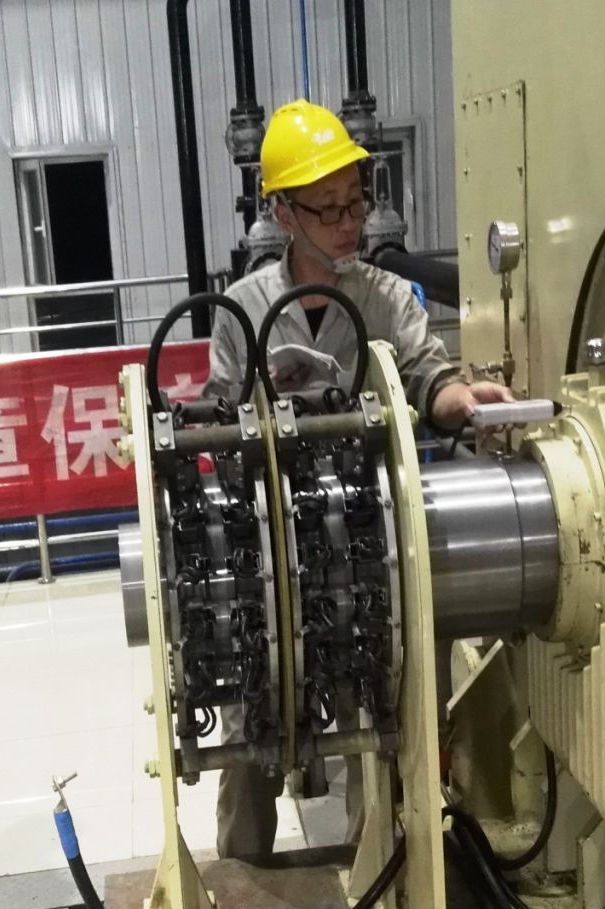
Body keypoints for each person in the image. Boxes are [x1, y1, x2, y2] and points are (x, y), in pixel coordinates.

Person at [207, 99, 512, 859]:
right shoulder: (241, 312)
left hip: (368, 550)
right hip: (271, 556)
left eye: (356, 202)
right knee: (252, 738)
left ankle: (377, 878)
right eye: (329, 209)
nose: (350, 224)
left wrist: (461, 399)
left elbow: (428, 374)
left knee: (376, 727)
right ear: (283, 213)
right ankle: (242, 889)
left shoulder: (385, 298)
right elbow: (217, 438)